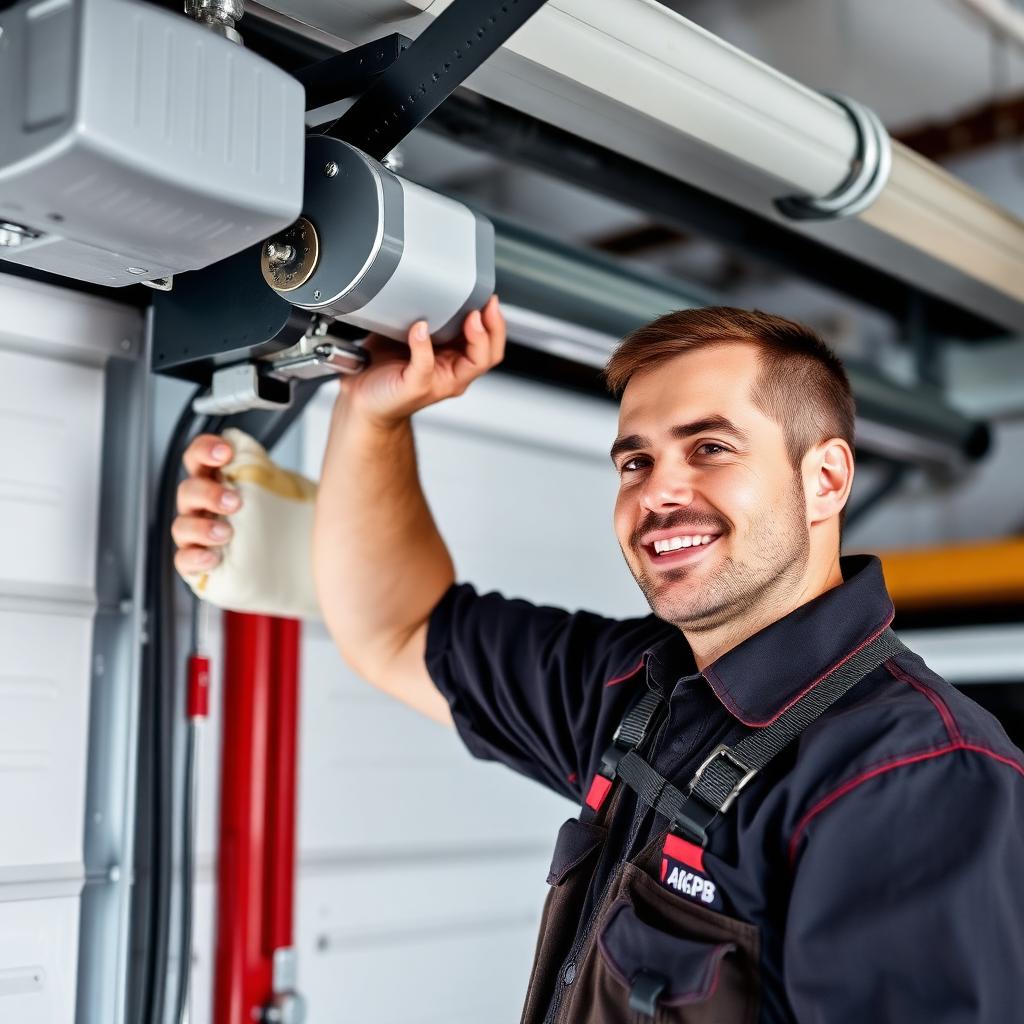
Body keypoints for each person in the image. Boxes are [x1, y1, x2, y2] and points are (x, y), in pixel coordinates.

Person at [173, 299, 1024, 1023]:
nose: (657, 490)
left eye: (711, 448)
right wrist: (373, 414)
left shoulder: (916, 774)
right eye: (635, 460)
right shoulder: (637, 689)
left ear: (826, 480)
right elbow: (400, 628)